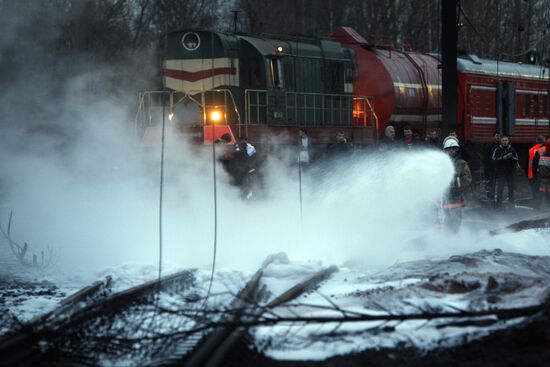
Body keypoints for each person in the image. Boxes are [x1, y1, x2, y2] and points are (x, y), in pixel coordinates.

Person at [441, 136, 472, 232]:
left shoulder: (461, 163)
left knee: (456, 215)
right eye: (449, 149)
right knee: (444, 214)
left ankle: (455, 232)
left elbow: (467, 178)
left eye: (453, 149)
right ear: (445, 150)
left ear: (456, 150)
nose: (451, 151)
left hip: (456, 194)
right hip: (443, 194)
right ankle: (446, 233)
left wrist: (457, 187)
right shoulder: (440, 162)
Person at [492, 135, 519, 207]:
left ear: (508, 141)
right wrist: (503, 158)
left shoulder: (512, 149)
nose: (505, 142)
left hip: (510, 172)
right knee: (500, 188)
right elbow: (494, 159)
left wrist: (511, 157)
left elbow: (516, 159)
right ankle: (499, 204)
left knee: (511, 187)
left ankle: (511, 203)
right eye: (503, 140)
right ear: (501, 141)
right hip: (501, 172)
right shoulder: (497, 149)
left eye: (506, 140)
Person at [528, 135, 546, 208]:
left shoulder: (531, 149)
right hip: (544, 173)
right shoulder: (546, 149)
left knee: (536, 191)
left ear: (536, 141)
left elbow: (530, 163)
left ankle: (536, 207)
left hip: (533, 173)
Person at [532, 137, 550, 207]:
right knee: (548, 192)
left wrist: (534, 174)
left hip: (540, 176)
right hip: (547, 176)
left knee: (539, 191)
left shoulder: (540, 151)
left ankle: (537, 208)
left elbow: (534, 164)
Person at [484, 133, 501, 200]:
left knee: (498, 182)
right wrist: (487, 168)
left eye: (499, 136)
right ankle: (491, 196)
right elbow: (486, 158)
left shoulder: (500, 146)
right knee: (491, 182)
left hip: (499, 167)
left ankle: (497, 196)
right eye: (497, 136)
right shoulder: (489, 146)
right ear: (493, 137)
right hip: (491, 167)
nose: (498, 137)